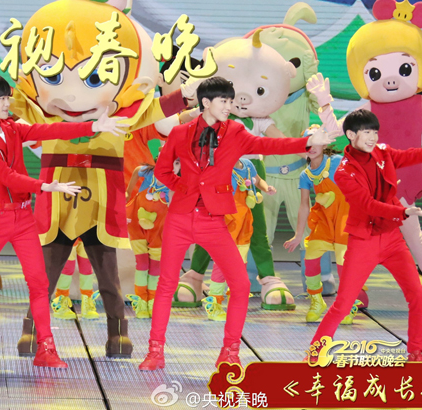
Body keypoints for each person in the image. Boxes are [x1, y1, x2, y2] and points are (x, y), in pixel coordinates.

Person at [138, 77, 335, 371]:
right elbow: (163, 171)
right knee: (166, 285)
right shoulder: (180, 133)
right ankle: (155, 351)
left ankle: (230, 352)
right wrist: (183, 188)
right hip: (180, 218)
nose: (229, 106)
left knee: (241, 285)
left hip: (214, 219)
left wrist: (307, 142)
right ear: (206, 102)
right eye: (224, 101)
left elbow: (269, 144)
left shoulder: (235, 131)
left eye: (231, 101)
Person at [0, 74, 127, 371]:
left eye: (8, 97)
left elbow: (48, 130)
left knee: (39, 284)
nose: (7, 103)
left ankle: (45, 349)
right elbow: (7, 177)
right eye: (1, 99)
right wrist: (46, 186)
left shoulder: (11, 128)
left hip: (23, 217)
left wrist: (92, 127)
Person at [306, 110, 422, 363]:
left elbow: (415, 155)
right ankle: (314, 354)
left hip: (391, 239)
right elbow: (367, 205)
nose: (372, 137)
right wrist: (402, 211)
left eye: (375, 132)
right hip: (364, 240)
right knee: (344, 304)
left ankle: (415, 354)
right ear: (351, 135)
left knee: (417, 297)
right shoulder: (344, 172)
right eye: (366, 132)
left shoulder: (383, 152)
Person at [283, 136, 360, 324]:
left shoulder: (337, 162)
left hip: (345, 219)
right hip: (324, 222)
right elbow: (304, 205)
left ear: (324, 144)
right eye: (307, 143)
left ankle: (347, 304)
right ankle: (317, 302)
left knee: (344, 264)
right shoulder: (305, 175)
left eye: (315, 142)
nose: (311, 147)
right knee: (310, 257)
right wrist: (298, 235)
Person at [203, 157, 276, 322]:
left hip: (244, 220)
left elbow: (258, 180)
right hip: (227, 219)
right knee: (222, 263)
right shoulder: (220, 166)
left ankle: (235, 301)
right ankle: (214, 303)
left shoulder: (248, 165)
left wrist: (266, 188)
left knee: (240, 262)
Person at [125, 158, 180, 319]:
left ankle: (153, 301)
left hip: (160, 230)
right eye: (171, 160)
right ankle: (141, 301)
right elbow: (137, 170)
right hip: (137, 225)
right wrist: (128, 192)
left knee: (156, 267)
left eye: (178, 163)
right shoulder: (150, 173)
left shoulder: (177, 183)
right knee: (142, 264)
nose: (173, 166)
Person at [51, 238, 99, 320]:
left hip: (87, 233)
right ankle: (61, 303)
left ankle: (87, 303)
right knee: (67, 267)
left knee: (87, 266)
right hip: (68, 233)